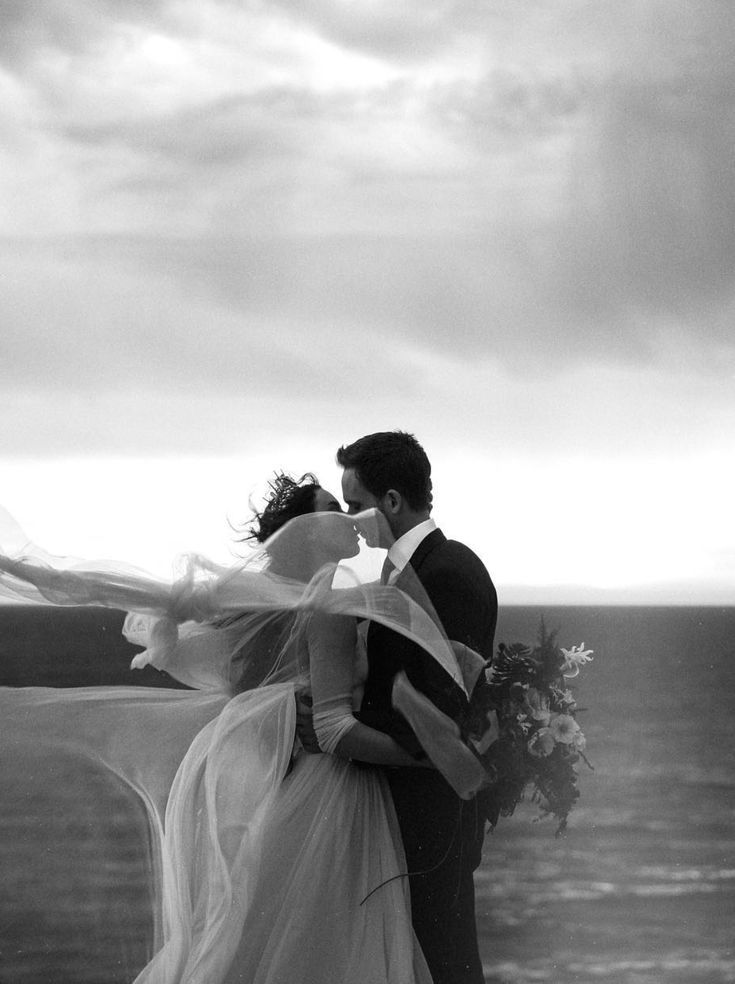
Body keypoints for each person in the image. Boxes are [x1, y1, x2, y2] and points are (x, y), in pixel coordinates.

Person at [0, 475, 476, 984]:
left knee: (276, 928)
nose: (348, 520)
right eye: (331, 510)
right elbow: (327, 719)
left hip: (302, 779)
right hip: (326, 784)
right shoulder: (322, 600)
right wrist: (435, 754)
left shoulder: (311, 595)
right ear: (306, 532)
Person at [336, 431, 498, 984]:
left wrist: (340, 730)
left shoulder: (448, 573)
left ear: (391, 502)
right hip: (412, 814)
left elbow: (441, 713)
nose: (348, 520)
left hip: (433, 821)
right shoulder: (413, 569)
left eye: (354, 506)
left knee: (446, 964)